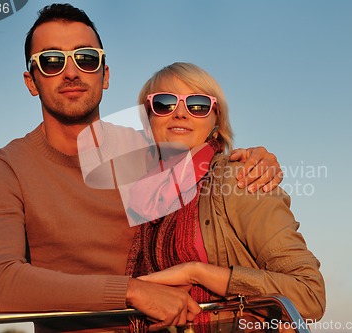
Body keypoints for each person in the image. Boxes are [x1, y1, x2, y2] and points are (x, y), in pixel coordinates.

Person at [0, 3, 284, 332]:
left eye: (86, 57)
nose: (71, 72)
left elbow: (214, 168)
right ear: (31, 82)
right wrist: (130, 292)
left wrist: (254, 158)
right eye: (51, 61)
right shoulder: (6, 170)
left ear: (104, 75)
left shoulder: (153, 151)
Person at [122, 62, 325, 331]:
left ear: (216, 119)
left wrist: (196, 272)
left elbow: (309, 294)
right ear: (148, 121)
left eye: (197, 104)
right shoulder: (134, 195)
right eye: (164, 103)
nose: (180, 114)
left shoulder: (240, 178)